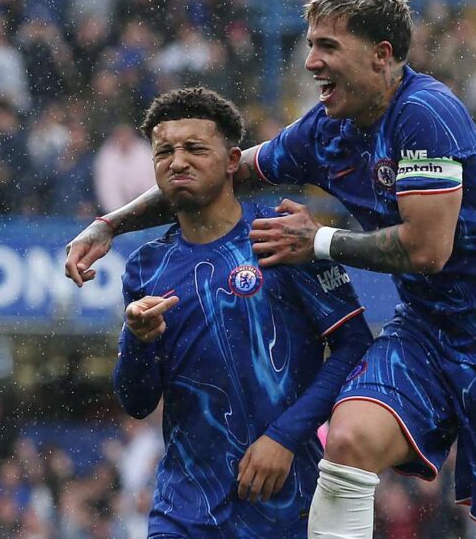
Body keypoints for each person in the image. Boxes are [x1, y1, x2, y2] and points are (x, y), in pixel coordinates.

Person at [69, 0, 476, 537]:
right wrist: (109, 224)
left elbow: (429, 250)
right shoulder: (326, 131)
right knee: (348, 439)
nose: (311, 62)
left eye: (327, 46)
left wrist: (320, 241)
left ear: (381, 55)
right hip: (427, 332)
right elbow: (220, 173)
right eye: (310, 45)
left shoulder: (425, 113)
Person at [112, 87, 373, 538]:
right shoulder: (146, 267)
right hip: (183, 510)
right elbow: (137, 403)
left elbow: (354, 346)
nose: (177, 162)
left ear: (233, 160)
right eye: (164, 152)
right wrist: (136, 341)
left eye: (195, 148)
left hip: (283, 506)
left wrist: (286, 435)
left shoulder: (283, 237)